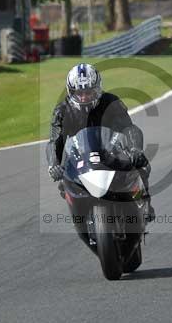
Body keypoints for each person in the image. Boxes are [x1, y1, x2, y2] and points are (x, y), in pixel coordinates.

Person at [47, 63, 155, 222]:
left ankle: (143, 201)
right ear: (71, 92)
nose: (84, 97)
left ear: (97, 89)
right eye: (79, 93)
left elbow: (129, 128)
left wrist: (135, 149)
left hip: (110, 151)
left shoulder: (110, 102)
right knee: (63, 184)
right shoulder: (62, 110)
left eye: (88, 92)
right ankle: (80, 215)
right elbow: (55, 140)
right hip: (80, 157)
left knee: (142, 165)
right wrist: (53, 164)